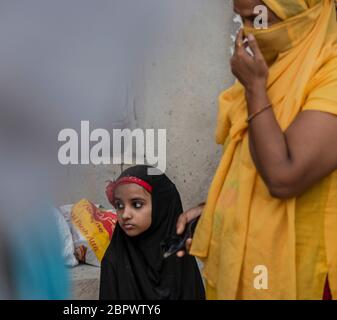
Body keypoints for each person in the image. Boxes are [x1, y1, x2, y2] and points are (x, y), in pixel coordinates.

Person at [177, 0, 337, 299]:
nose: (248, 34)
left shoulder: (329, 73)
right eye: (242, 21)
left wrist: (255, 89)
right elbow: (250, 167)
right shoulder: (273, 65)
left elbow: (283, 176)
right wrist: (214, 209)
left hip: (308, 277)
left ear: (299, 10)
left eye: (257, 19)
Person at [99, 165, 205, 300]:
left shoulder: (179, 257)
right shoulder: (114, 260)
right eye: (119, 205)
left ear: (161, 206)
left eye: (137, 204)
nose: (125, 215)